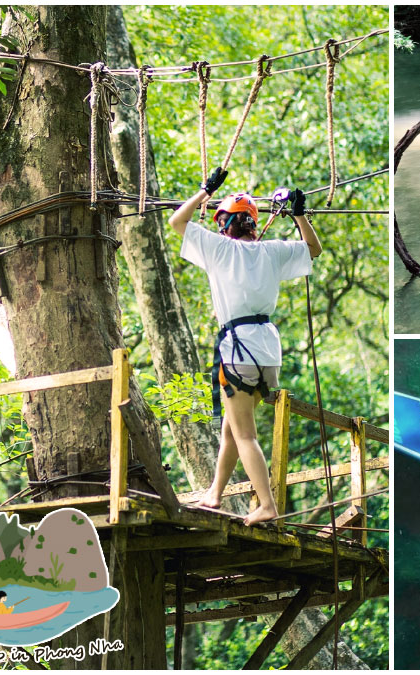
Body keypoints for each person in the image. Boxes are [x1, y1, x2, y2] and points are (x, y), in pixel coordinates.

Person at [170, 167, 322, 526]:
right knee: (232, 427)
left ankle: (267, 505)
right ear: (253, 223)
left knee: (245, 434)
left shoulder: (218, 248)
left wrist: (206, 190)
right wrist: (299, 214)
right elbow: (313, 249)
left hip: (238, 351)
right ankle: (214, 494)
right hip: (267, 353)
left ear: (225, 225)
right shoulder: (272, 252)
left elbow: (178, 221)